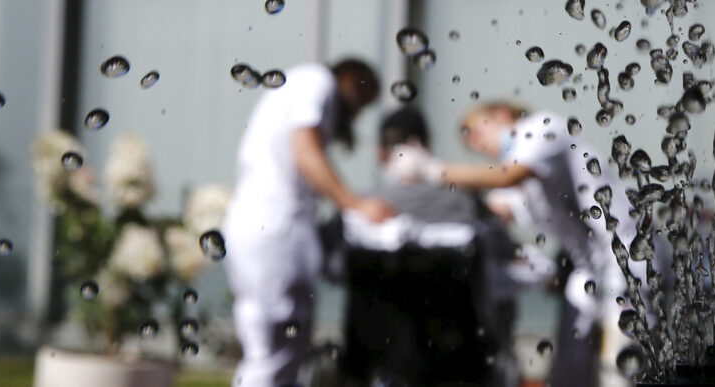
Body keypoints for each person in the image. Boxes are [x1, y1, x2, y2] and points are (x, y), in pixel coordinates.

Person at [395, 102, 637, 387]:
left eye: (473, 132)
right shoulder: (519, 164)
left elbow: (507, 177)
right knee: (571, 369)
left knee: (619, 368)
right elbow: (491, 211)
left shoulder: (543, 128)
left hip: (629, 258)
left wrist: (431, 169)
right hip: (591, 271)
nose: (474, 144)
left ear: (501, 114)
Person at [221, 59, 393, 387]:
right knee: (273, 354)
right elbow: (305, 150)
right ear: (352, 80)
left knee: (278, 352)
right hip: (274, 228)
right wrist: (354, 204)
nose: (356, 113)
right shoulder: (316, 80)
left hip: (266, 227)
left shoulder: (301, 88)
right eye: (361, 100)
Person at [339, 107, 520, 387]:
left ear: (380, 153)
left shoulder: (359, 207)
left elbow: (330, 266)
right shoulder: (467, 203)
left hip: (376, 354)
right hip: (457, 357)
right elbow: (507, 255)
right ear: (427, 145)